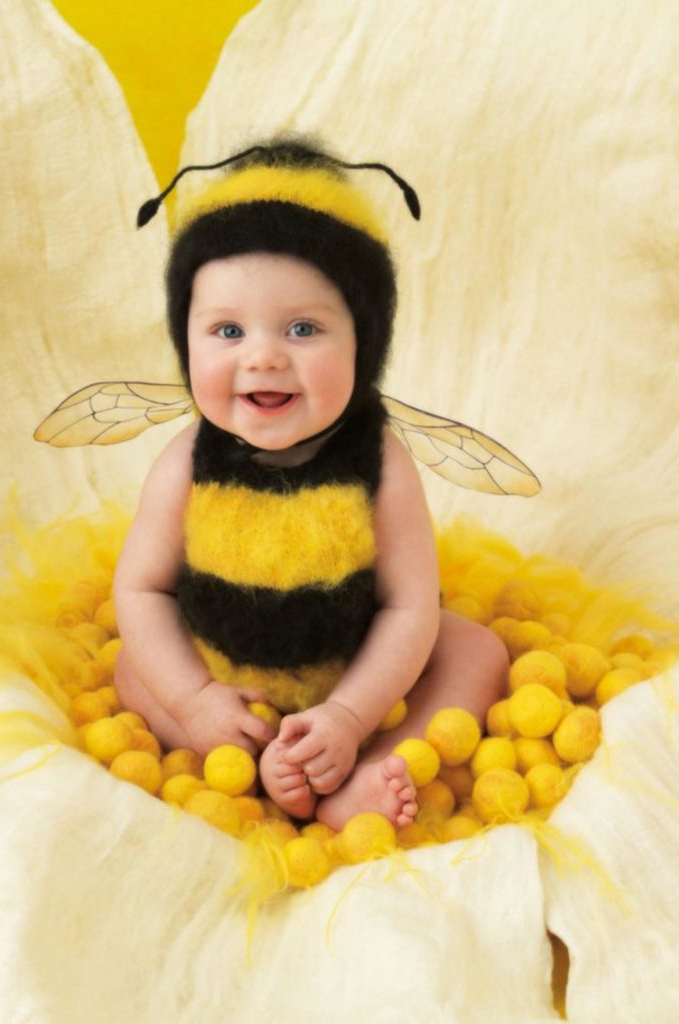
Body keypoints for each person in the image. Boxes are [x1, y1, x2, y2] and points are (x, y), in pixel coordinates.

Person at [112, 136, 509, 830]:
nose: (262, 357)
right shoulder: (184, 464)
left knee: (475, 653)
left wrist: (350, 716)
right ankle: (243, 756)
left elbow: (408, 607)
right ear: (186, 344)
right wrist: (196, 698)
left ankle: (357, 768)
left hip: (356, 676)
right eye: (227, 330)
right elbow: (143, 591)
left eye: (302, 328)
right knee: (133, 668)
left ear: (365, 346)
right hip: (225, 677)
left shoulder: (380, 465)